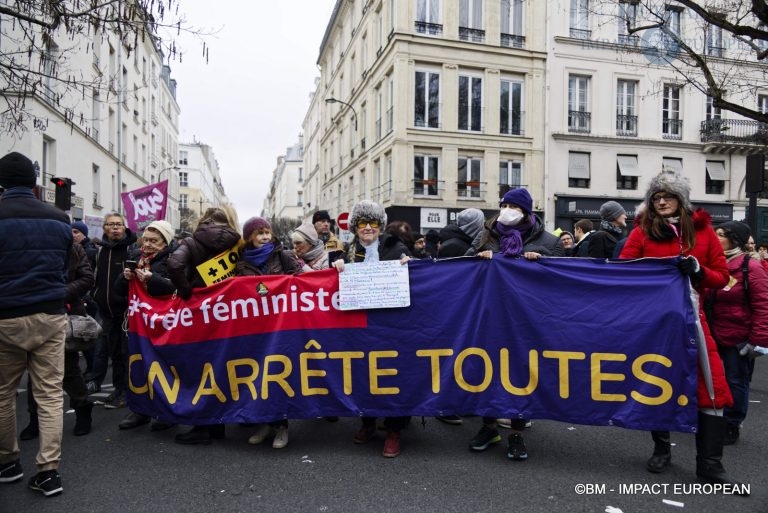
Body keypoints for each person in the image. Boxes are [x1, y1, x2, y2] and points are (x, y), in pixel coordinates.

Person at [619, 171, 743, 488]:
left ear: (681, 201)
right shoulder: (641, 232)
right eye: (656, 196)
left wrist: (699, 270)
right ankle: (662, 449)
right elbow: (624, 269)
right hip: (654, 323)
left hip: (693, 320)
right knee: (656, 384)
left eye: (668, 196)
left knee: (711, 388)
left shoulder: (704, 234)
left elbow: (720, 276)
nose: (661, 201)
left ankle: (710, 464)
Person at [466, 188, 564, 462]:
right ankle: (489, 427)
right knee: (486, 371)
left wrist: (542, 261)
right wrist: (478, 259)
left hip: (527, 322)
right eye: (504, 204)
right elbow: (463, 266)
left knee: (522, 375)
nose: (507, 209)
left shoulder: (547, 240)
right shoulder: (486, 234)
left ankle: (517, 433)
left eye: (514, 206)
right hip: (489, 318)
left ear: (526, 211)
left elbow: (562, 280)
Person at [0, 151, 72, 497]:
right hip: (50, 314)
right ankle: (48, 471)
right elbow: (64, 267)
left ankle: (9, 462)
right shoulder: (60, 219)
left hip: (5, 317)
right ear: (34, 183)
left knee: (3, 395)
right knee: (50, 395)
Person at [332, 200, 412, 458]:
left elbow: (419, 271)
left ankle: (393, 431)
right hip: (360, 327)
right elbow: (330, 285)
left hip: (392, 326)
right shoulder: (347, 251)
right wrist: (337, 268)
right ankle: (367, 423)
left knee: (394, 377)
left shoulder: (395, 246)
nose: (368, 228)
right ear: (355, 227)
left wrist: (411, 264)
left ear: (381, 226)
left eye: (373, 223)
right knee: (362, 375)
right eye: (363, 223)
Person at [168, 207, 242, 444]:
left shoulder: (191, 242)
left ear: (203, 222)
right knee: (222, 365)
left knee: (199, 369)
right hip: (227, 313)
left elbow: (174, 264)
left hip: (198, 313)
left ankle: (201, 427)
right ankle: (218, 424)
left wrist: (187, 290)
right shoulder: (237, 244)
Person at [20, 233, 96, 441]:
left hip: (64, 311)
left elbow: (87, 278)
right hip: (31, 313)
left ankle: (82, 409)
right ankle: (35, 418)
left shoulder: (73, 248)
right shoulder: (26, 246)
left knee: (68, 367)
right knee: (33, 368)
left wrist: (59, 292)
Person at [237, 216, 302, 449]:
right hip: (255, 326)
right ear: (249, 238)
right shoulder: (242, 262)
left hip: (282, 324)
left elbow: (302, 280)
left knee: (278, 374)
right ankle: (263, 423)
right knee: (257, 375)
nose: (265, 237)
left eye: (267, 232)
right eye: (259, 233)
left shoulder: (282, 255)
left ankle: (281, 427)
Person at [113, 220, 179, 431]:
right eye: (146, 240)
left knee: (164, 367)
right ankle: (139, 409)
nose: (148, 245)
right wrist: (124, 278)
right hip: (137, 323)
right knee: (137, 364)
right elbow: (118, 291)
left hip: (163, 324)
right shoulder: (134, 257)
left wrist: (153, 279)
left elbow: (177, 289)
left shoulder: (174, 260)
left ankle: (166, 412)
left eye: (154, 241)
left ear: (165, 242)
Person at [707, 221, 768, 445]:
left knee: (736, 380)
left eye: (721, 234)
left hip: (738, 337)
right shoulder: (714, 264)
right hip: (714, 332)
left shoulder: (750, 267)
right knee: (713, 378)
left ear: (735, 239)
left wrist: (758, 340)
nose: (717, 238)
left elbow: (763, 304)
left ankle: (732, 424)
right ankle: (712, 419)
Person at [86, 212, 138, 406]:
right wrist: (94, 295)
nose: (115, 228)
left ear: (124, 228)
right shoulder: (100, 250)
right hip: (105, 311)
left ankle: (127, 392)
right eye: (111, 224)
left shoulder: (132, 249)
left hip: (125, 312)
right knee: (114, 353)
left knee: (126, 354)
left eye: (119, 224)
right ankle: (118, 389)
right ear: (104, 228)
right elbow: (94, 275)